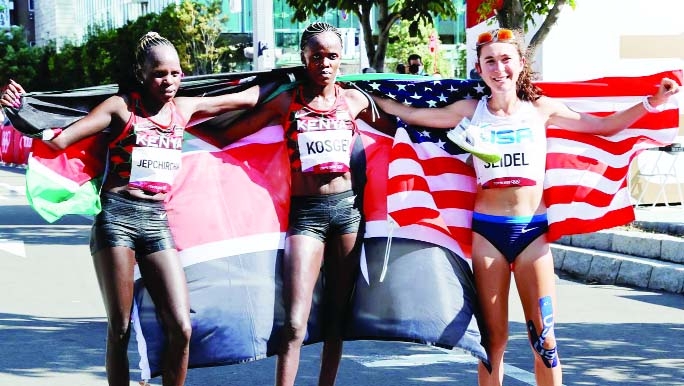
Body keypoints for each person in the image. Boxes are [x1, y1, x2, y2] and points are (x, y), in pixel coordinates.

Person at [371, 28, 679, 386]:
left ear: (520, 63)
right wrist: (362, 98)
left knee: (544, 341)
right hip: (488, 233)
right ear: (479, 68)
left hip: (533, 233)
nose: (498, 68)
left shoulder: (541, 109)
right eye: (490, 61)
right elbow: (412, 115)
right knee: (492, 343)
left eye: (506, 59)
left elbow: (604, 127)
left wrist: (651, 103)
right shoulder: (471, 110)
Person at [1, 32, 275, 386]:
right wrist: (19, 109)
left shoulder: (184, 109)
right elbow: (62, 138)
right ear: (141, 73)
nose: (170, 81)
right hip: (117, 220)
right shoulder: (121, 107)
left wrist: (293, 80)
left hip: (157, 222)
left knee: (181, 326)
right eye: (160, 73)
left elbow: (243, 99)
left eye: (176, 73)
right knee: (120, 328)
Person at [221, 21, 397, 386]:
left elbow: (402, 128)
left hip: (348, 214)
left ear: (341, 59)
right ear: (304, 58)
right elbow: (228, 134)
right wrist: (176, 127)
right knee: (295, 321)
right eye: (316, 56)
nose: (325, 63)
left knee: (337, 317)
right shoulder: (288, 100)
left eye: (332, 56)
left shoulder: (354, 100)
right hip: (307, 217)